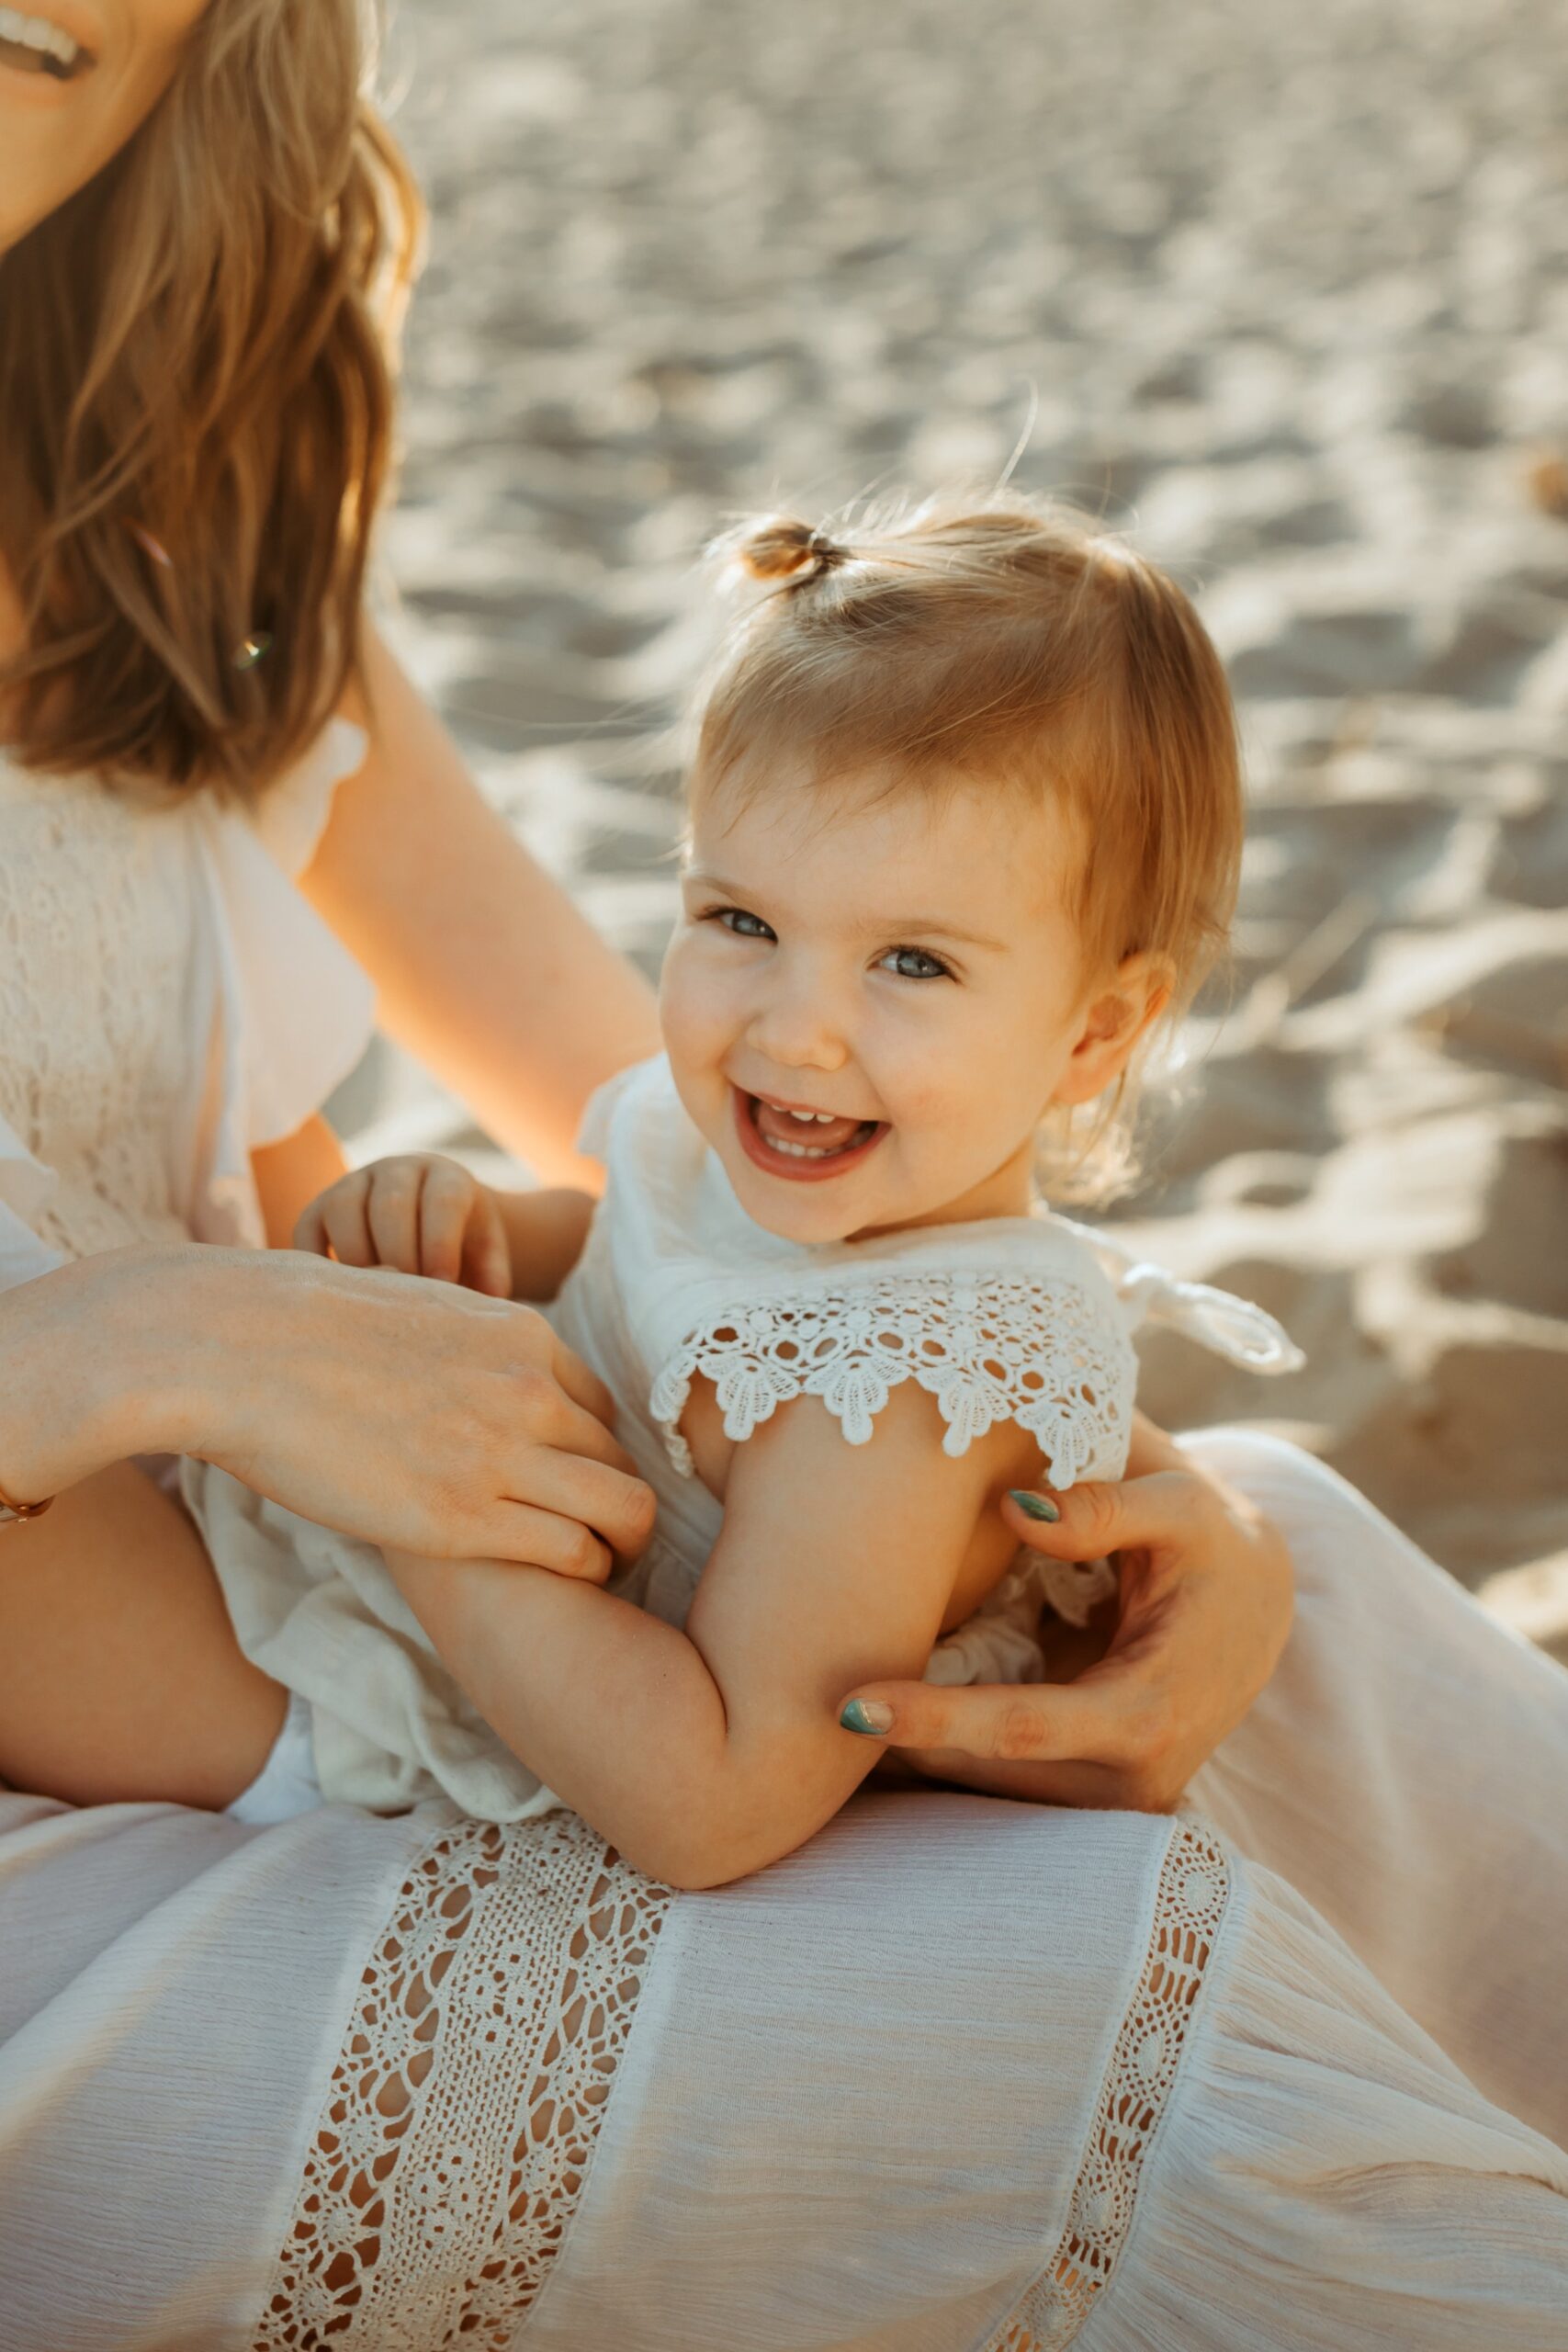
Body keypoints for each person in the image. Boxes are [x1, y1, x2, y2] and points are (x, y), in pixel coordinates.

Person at [3, 6, 1568, 2346]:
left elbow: (745, 1148)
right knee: (1084, 2009)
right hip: (171, 1766)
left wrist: (1106, 1487)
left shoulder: (168, 571)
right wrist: (175, 1344)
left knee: (1310, 1595)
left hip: (342, 1606)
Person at [168, 499, 1309, 1883]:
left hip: (412, 1721)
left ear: (1094, 1034)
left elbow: (709, 1802)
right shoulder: (767, 1141)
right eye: (741, 923)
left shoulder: (894, 1402)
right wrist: (470, 1233)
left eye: (914, 964)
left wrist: (414, 1505)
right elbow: (638, 1254)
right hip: (350, 1569)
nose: (791, 1031)